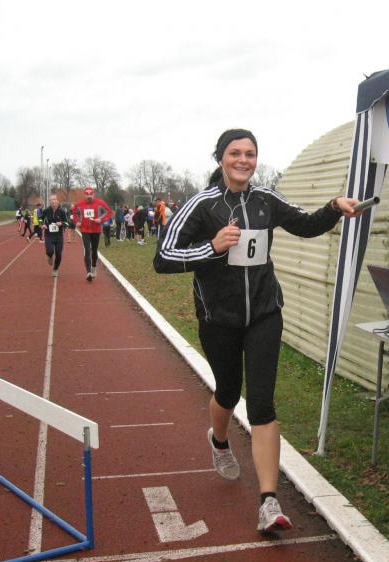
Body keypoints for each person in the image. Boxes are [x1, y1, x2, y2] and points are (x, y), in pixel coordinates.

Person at [154, 129, 361, 533]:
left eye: (250, 154)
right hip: (219, 319)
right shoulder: (202, 205)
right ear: (220, 159)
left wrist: (334, 206)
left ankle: (269, 501)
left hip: (265, 314)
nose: (243, 160)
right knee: (229, 391)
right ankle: (218, 439)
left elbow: (306, 224)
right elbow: (163, 257)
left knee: (262, 404)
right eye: (235, 153)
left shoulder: (266, 199)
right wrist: (211, 247)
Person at [71, 186, 113, 281]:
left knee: (94, 250)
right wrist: (77, 221)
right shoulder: (79, 204)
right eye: (87, 194)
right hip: (85, 230)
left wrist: (101, 220)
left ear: (93, 194)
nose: (89, 196)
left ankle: (93, 267)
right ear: (84, 195)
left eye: (91, 194)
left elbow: (109, 212)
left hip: (96, 230)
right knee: (87, 249)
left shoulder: (100, 203)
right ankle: (88, 272)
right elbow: (74, 212)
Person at [41, 194, 67, 277]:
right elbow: (40, 219)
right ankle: (49, 256)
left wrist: (61, 223)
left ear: (57, 201)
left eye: (54, 199)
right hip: (49, 235)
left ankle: (55, 269)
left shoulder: (62, 211)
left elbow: (67, 223)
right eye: (51, 200)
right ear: (49, 201)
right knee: (50, 251)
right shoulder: (46, 211)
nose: (53, 201)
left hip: (59, 235)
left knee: (59, 253)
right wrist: (42, 225)